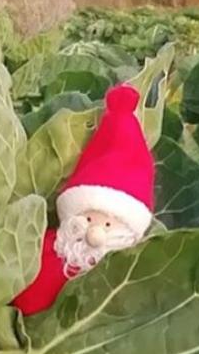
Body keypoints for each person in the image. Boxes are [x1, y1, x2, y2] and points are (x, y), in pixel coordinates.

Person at [12, 84, 155, 315]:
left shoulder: (122, 274)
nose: (95, 232)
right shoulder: (48, 246)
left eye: (108, 224)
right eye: (90, 218)